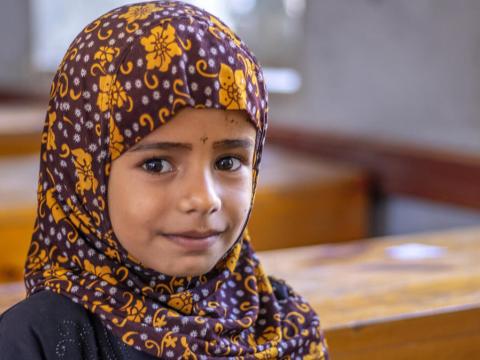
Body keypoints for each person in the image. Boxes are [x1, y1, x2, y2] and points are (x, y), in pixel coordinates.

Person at [0, 1, 329, 359]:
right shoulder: (38, 340)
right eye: (157, 165)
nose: (204, 199)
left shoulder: (281, 322)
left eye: (229, 161)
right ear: (85, 178)